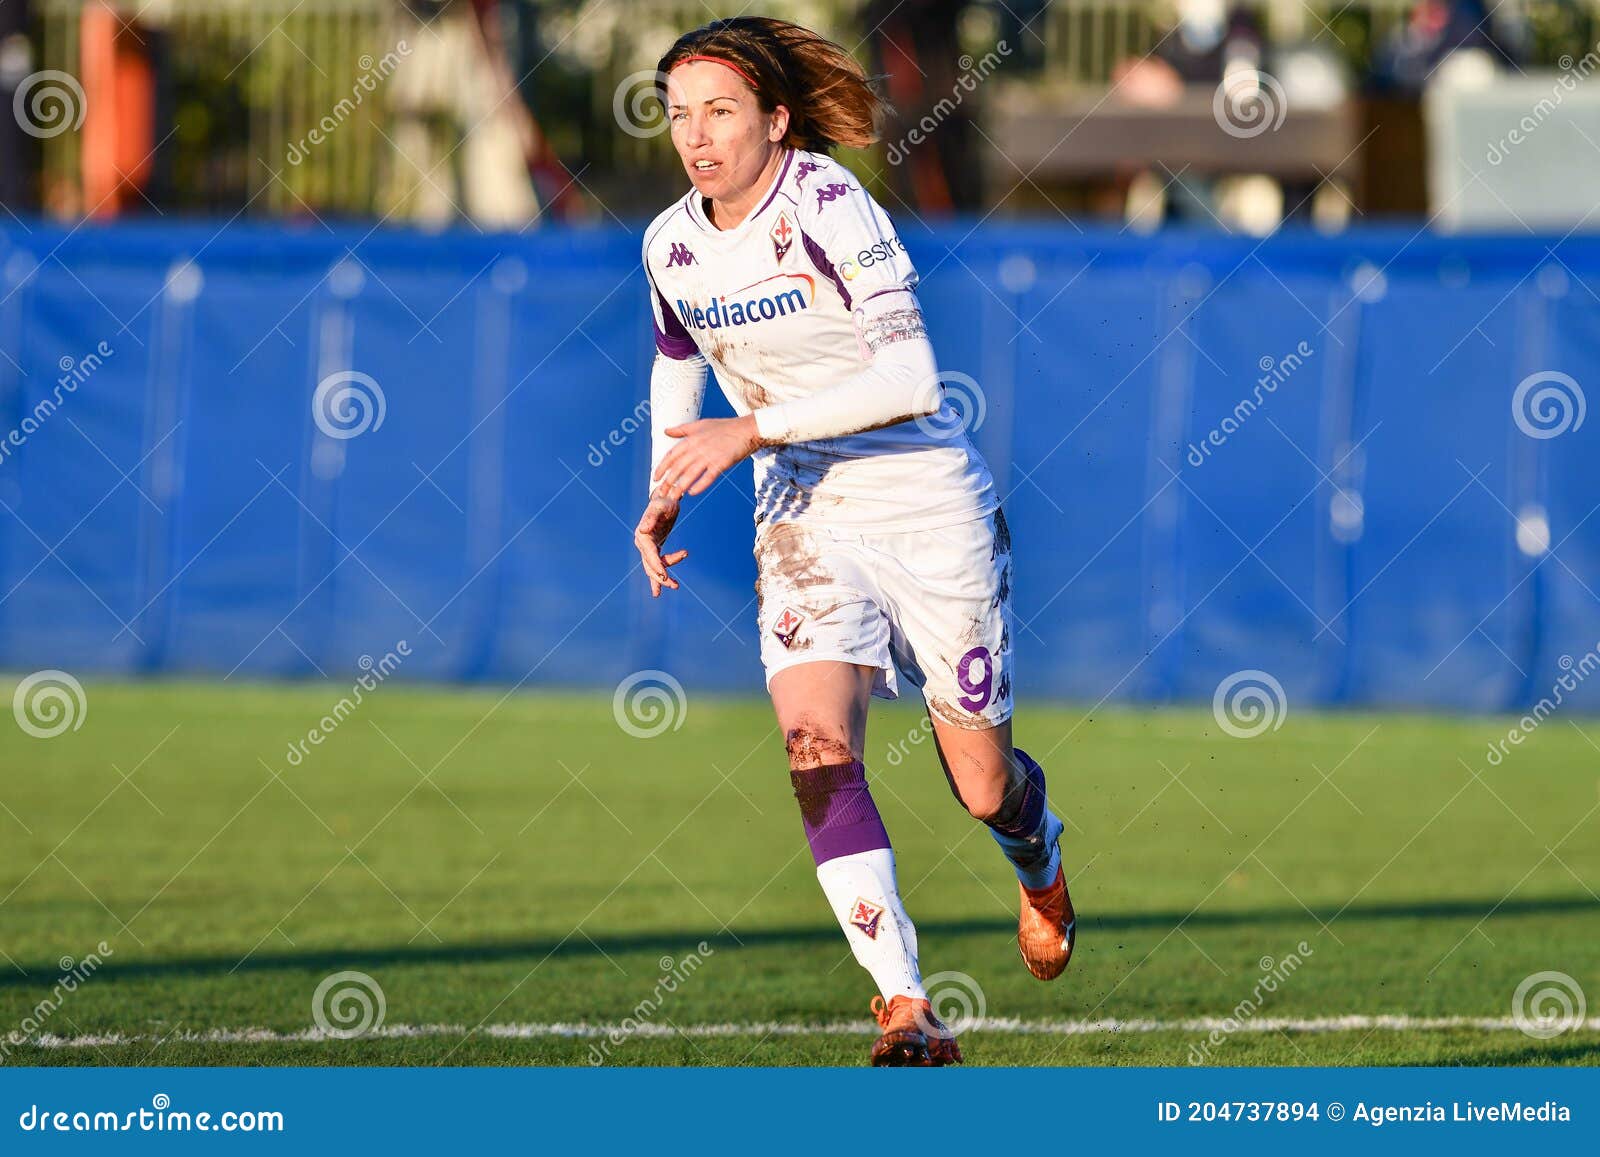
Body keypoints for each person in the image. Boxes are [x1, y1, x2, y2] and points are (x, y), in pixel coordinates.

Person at [632, 16, 1075, 1067]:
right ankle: (903, 1003)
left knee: (978, 782)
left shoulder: (827, 201)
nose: (696, 135)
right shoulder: (668, 241)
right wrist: (664, 485)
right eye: (678, 114)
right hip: (800, 512)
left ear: (776, 121)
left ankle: (1038, 851)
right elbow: (674, 359)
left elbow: (910, 381)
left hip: (924, 502)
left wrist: (752, 427)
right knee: (813, 749)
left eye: (721, 111)